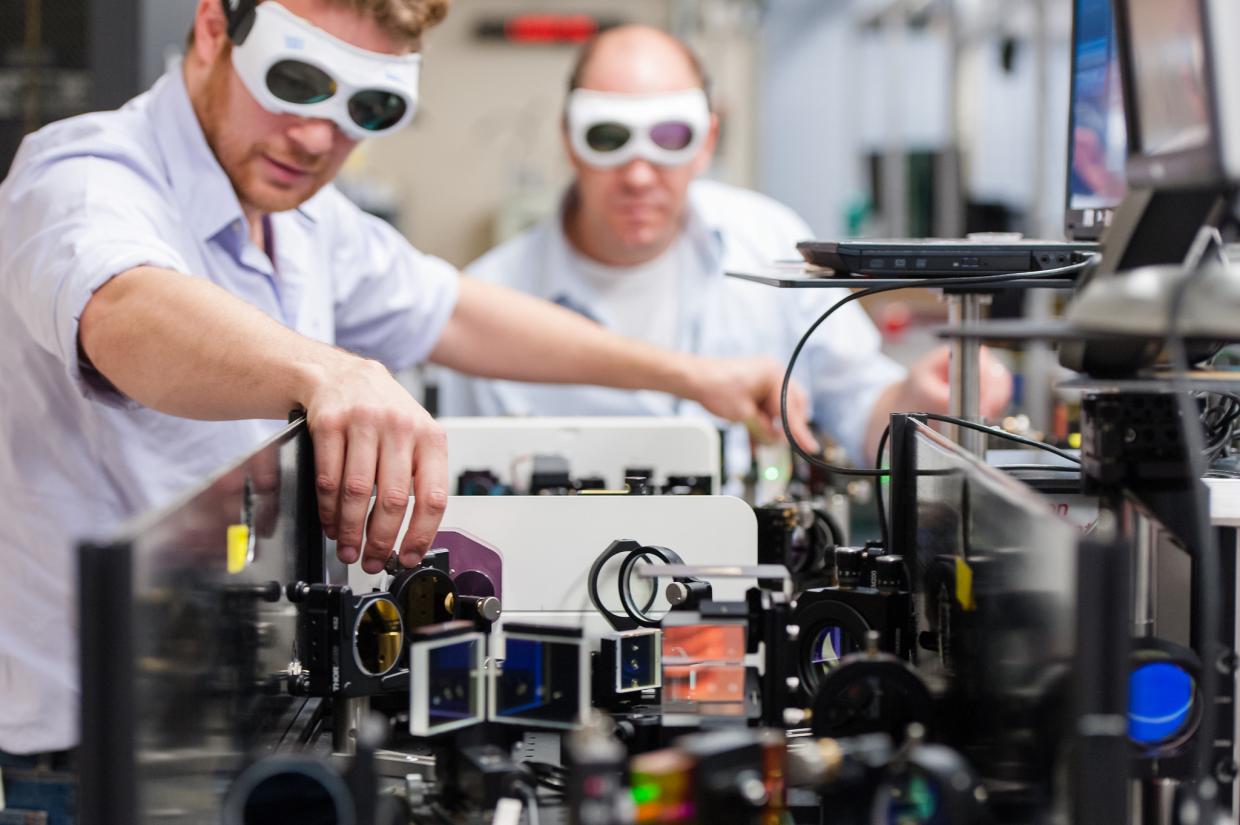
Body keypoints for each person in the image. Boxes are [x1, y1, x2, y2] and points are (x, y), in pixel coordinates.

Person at [0, 0, 819, 800]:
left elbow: (453, 310)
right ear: (213, 28)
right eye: (293, 79)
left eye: (369, 105)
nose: (321, 136)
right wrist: (327, 372)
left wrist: (688, 374)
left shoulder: (307, 219)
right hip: (88, 755)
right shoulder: (83, 175)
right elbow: (122, 308)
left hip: (239, 713)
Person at [439, 26, 1011, 476]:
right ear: (570, 139)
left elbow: (864, 413)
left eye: (669, 138)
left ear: (707, 141)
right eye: (609, 138)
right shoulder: (488, 302)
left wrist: (919, 397)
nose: (639, 174)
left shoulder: (766, 243)